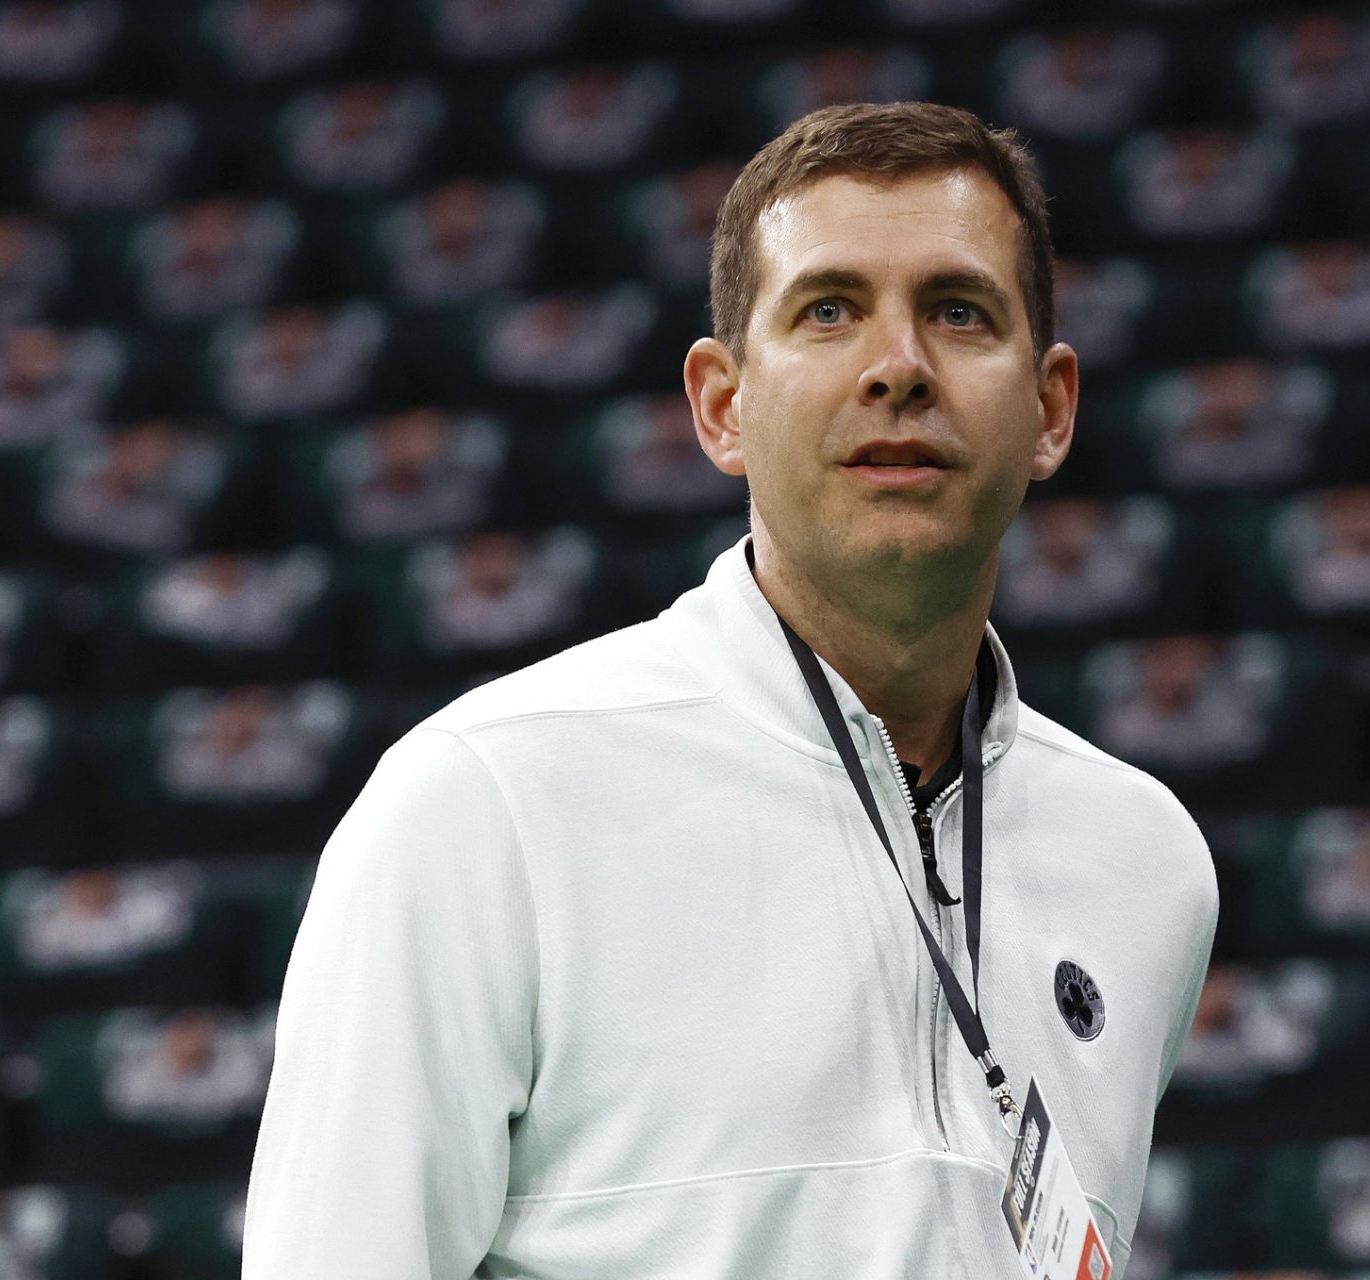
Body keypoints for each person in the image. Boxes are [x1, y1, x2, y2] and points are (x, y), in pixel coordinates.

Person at [242, 100, 1218, 1278]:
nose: (898, 367)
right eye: (829, 311)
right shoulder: (484, 804)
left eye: (958, 312)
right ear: (722, 405)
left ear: (1051, 407)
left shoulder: (1146, 859)